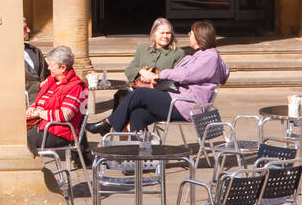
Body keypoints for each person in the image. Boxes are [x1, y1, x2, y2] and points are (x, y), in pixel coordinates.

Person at [87, 19, 228, 135]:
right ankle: (139, 156)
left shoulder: (209, 56)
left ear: (199, 36)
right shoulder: (199, 55)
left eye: (190, 34)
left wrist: (159, 74)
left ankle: (107, 123)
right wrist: (150, 75)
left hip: (187, 104)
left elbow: (186, 74)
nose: (188, 36)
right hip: (179, 100)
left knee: (140, 94)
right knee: (137, 114)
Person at [112, 17, 187, 109]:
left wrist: (154, 78)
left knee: (133, 103)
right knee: (123, 94)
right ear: (154, 34)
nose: (165, 36)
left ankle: (110, 123)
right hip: (139, 87)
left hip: (161, 92)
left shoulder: (178, 53)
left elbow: (177, 77)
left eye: (168, 33)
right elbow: (129, 70)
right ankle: (118, 123)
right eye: (162, 33)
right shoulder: (143, 49)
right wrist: (142, 72)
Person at [26, 46, 86, 157]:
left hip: (58, 133)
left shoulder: (75, 86)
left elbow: (64, 115)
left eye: (51, 65)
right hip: (41, 126)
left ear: (62, 68)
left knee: (16, 140)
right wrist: (33, 107)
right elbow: (42, 101)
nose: (48, 68)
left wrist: (39, 113)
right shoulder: (51, 81)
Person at [22, 18, 49, 105]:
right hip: (23, 105)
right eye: (25, 28)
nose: (29, 30)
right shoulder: (7, 54)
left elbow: (46, 73)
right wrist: (38, 86)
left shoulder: (35, 51)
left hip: (41, 101)